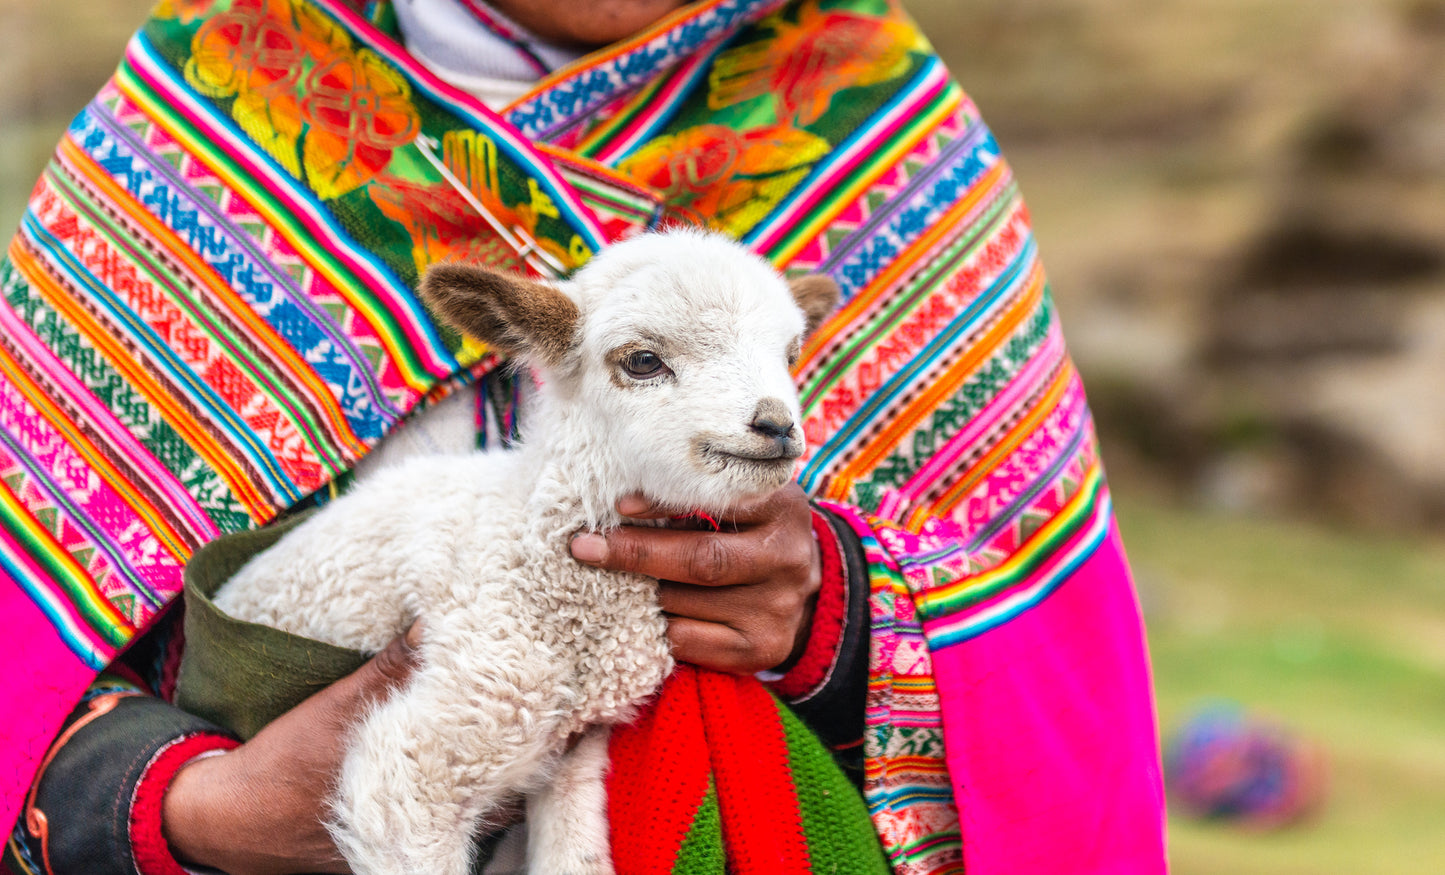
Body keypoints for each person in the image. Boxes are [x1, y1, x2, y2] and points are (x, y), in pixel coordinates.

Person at [0, 0, 1168, 873]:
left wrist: (831, 614)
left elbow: (1044, 682)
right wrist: (195, 805)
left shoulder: (885, 142)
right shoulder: (205, 129)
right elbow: (28, 633)